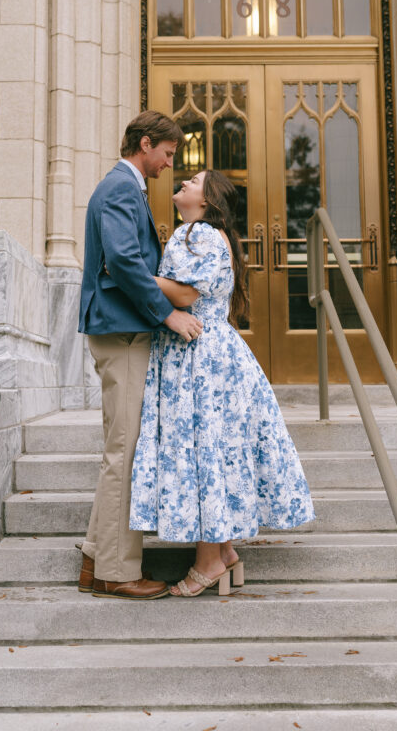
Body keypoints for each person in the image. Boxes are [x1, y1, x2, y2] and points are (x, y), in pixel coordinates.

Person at [130, 169, 315, 598]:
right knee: (210, 449)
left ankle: (209, 560)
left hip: (199, 355)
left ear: (208, 200)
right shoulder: (199, 233)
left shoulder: (199, 234)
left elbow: (184, 295)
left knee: (203, 448)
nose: (183, 181)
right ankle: (224, 550)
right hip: (207, 352)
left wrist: (127, 275)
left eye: (193, 180)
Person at [77, 111, 204, 600]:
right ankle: (116, 571)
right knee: (124, 453)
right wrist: (166, 315)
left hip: (122, 328)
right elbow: (124, 260)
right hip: (123, 330)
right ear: (145, 144)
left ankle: (95, 558)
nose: (168, 166)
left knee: (121, 447)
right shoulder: (120, 188)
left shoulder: (124, 188)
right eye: (167, 155)